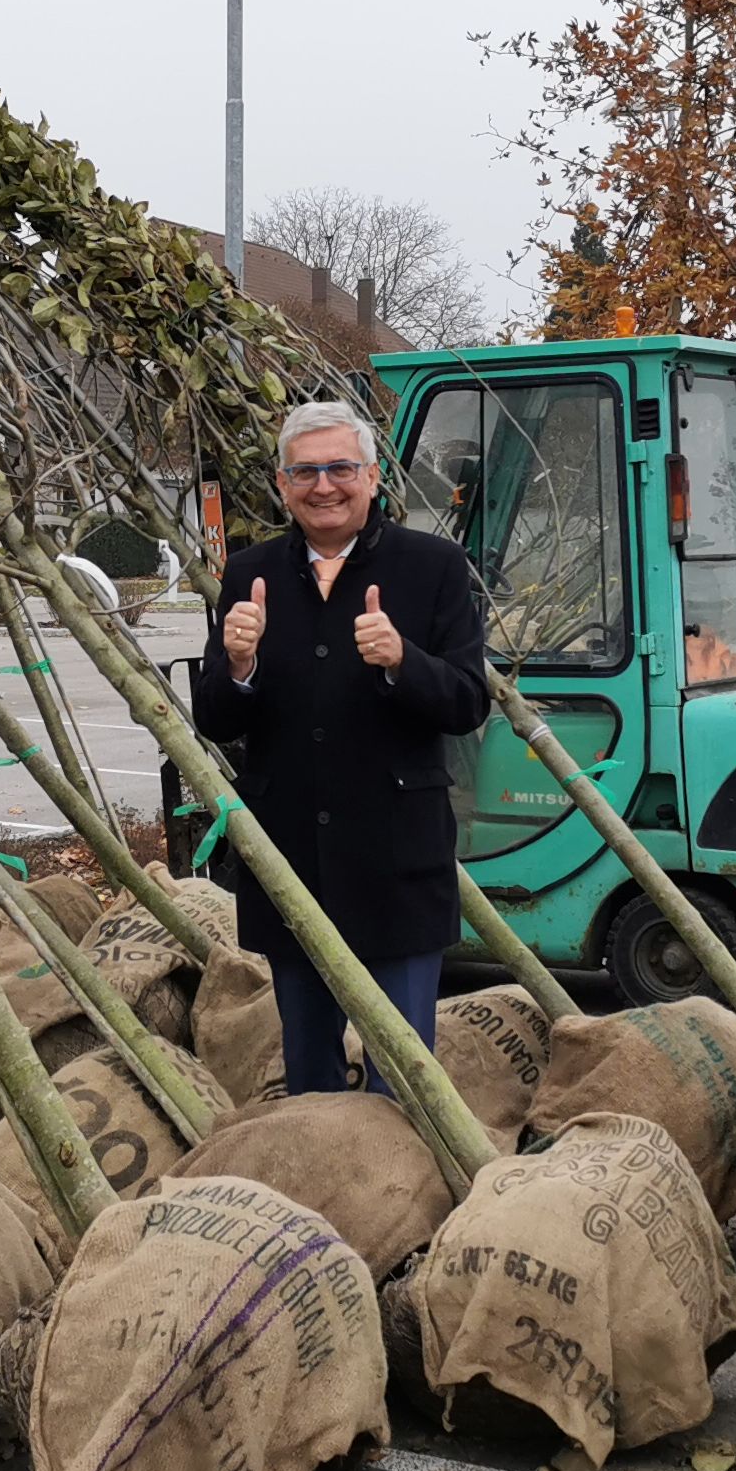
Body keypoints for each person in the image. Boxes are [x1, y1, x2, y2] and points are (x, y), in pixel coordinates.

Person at [193, 398, 491, 1094]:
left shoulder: (434, 567)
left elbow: (467, 702)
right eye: (305, 472)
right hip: (292, 855)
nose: (323, 486)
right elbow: (215, 720)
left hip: (396, 857)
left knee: (405, 1070)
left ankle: (407, 1184)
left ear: (374, 477)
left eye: (339, 469)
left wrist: (401, 661)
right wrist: (237, 668)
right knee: (308, 1071)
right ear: (281, 484)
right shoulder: (249, 576)